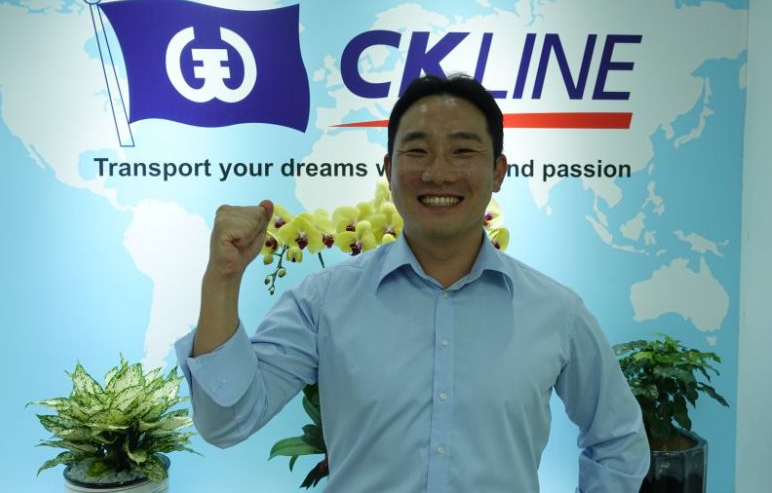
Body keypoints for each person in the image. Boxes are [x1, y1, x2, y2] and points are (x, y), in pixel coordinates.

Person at [175, 74, 650, 492]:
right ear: (388, 169)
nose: (438, 172)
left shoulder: (556, 311)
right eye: (417, 150)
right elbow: (226, 422)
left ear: (497, 172)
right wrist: (222, 279)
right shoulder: (324, 300)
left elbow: (618, 440)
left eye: (463, 151)